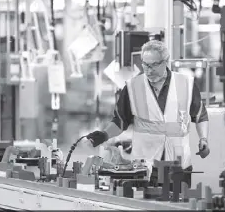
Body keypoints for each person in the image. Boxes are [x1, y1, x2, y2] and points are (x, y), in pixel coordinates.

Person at [86, 40, 210, 188]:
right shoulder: (132, 87)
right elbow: (120, 121)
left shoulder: (186, 84)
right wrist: (104, 135)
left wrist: (203, 139)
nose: (149, 70)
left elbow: (200, 115)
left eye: (154, 65)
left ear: (166, 61)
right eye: (145, 64)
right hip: (145, 166)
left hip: (179, 165)